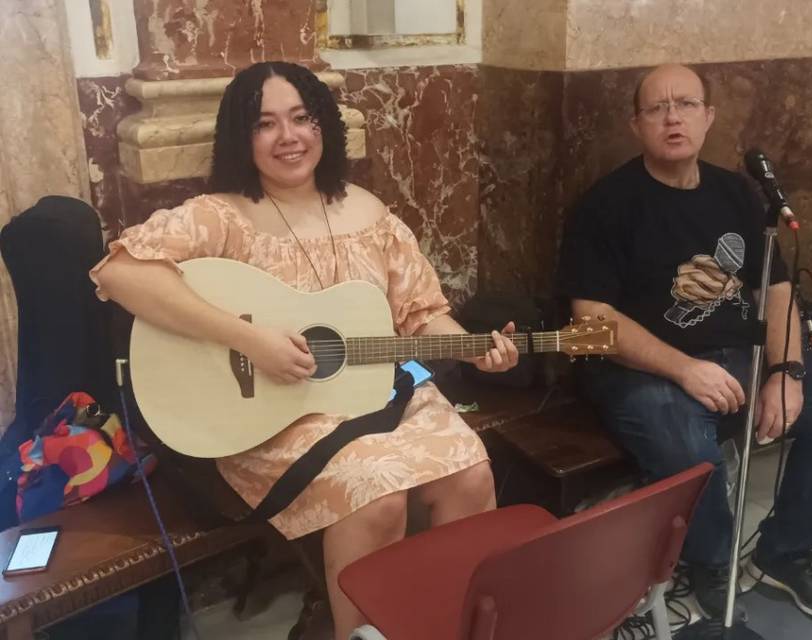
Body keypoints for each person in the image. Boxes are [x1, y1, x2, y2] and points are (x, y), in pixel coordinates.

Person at [92, 61, 518, 639]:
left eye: (301, 118)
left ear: (324, 127)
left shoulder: (371, 214)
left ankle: (445, 624)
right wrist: (248, 339)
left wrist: (473, 349)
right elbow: (120, 274)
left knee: (471, 473)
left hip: (380, 391)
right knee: (377, 494)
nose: (288, 137)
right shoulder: (221, 217)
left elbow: (421, 313)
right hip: (273, 413)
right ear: (243, 139)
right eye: (265, 124)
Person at [557, 64, 812, 624]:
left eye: (685, 104)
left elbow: (777, 290)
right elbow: (593, 320)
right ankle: (708, 561)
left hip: (738, 356)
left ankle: (789, 551)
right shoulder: (606, 205)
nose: (672, 117)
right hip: (643, 372)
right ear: (636, 124)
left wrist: (788, 373)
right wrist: (684, 370)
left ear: (709, 117)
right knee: (680, 433)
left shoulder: (737, 193)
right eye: (657, 108)